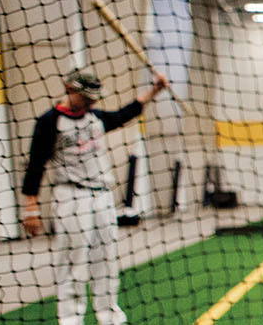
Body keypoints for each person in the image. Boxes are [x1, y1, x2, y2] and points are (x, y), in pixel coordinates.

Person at [21, 66, 169, 325]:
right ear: (68, 89)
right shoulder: (49, 122)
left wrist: (154, 90)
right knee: (73, 261)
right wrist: (30, 208)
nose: (90, 102)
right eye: (85, 97)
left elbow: (126, 113)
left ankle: (110, 316)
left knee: (107, 259)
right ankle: (70, 320)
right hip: (71, 197)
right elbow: (35, 166)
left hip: (102, 196)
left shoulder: (95, 118)